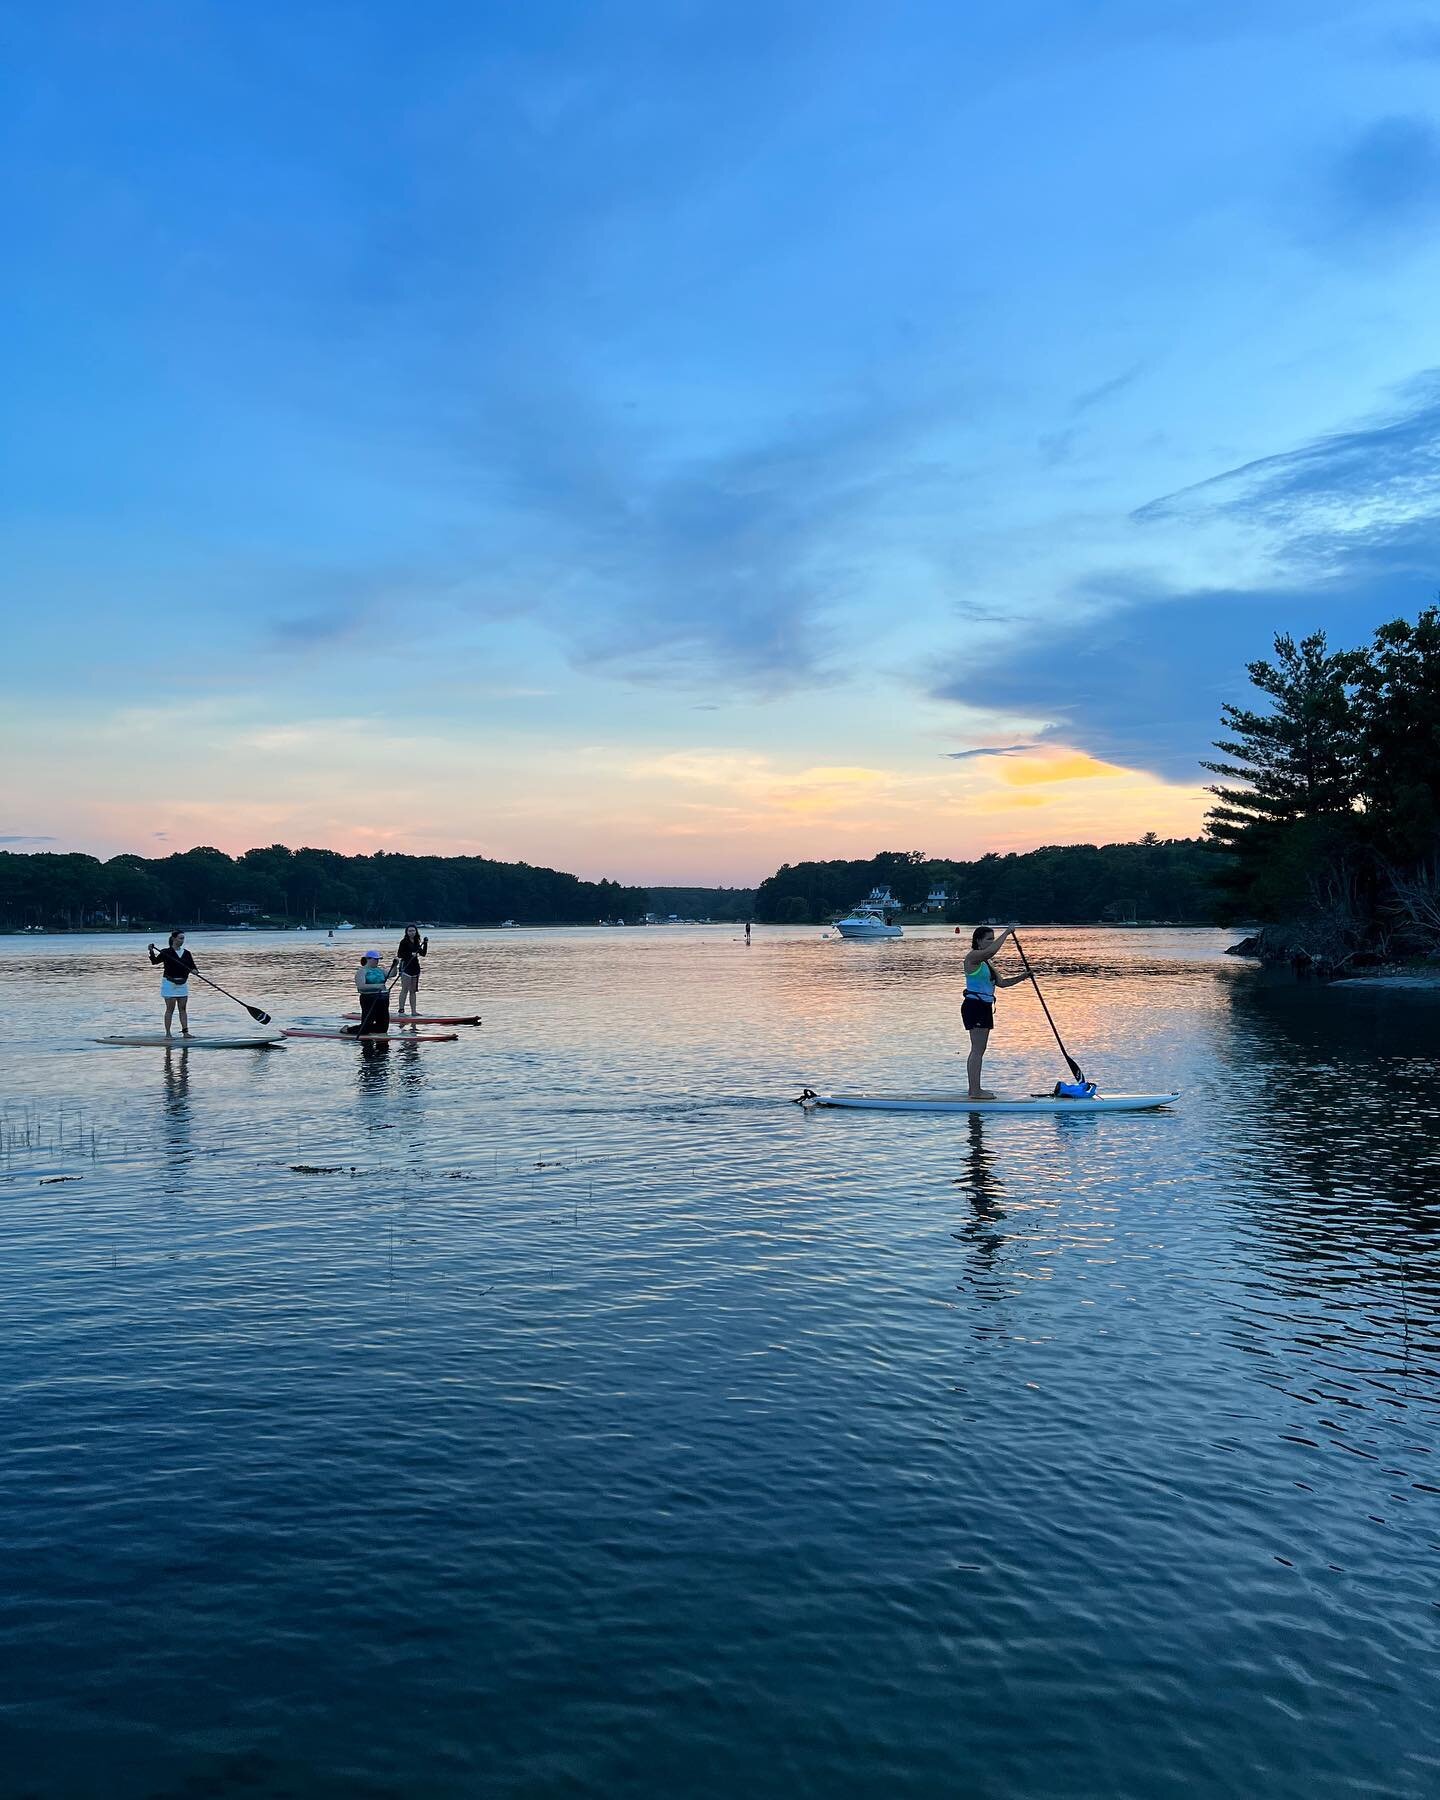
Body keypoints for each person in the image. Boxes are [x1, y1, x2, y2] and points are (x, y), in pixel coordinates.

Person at [962, 924, 1031, 1099]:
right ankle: (975, 1091)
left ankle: (974, 1090)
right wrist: (1006, 933)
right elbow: (992, 951)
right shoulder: (973, 957)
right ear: (978, 941)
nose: (992, 942)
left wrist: (1023, 976)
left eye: (993, 939)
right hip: (974, 1006)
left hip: (984, 1007)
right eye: (989, 939)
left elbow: (1002, 983)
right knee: (977, 1049)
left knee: (980, 1049)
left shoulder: (987, 963)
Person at [148, 930, 198, 1037]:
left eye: (183, 938)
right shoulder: (166, 952)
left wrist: (195, 971)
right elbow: (154, 962)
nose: (182, 940)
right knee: (170, 1009)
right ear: (174, 939)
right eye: (180, 938)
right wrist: (151, 951)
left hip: (182, 984)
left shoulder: (187, 953)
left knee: (183, 1009)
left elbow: (193, 967)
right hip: (169, 983)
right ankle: (168, 1034)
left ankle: (186, 1033)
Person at [348, 950, 391, 1036]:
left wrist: (395, 965)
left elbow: (392, 974)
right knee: (366, 1027)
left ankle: (381, 1047)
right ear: (368, 959)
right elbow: (361, 987)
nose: (377, 961)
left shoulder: (380, 970)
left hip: (382, 999)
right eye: (375, 959)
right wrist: (377, 986)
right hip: (369, 999)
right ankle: (348, 1030)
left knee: (383, 1028)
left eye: (378, 959)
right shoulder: (362, 971)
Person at [390, 925, 428, 1016]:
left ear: (416, 932)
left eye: (413, 931)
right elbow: (400, 954)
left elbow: (423, 954)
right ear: (407, 932)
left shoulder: (416, 941)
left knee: (413, 991)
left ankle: (414, 1011)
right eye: (410, 931)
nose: (412, 932)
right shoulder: (404, 942)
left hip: (415, 967)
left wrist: (425, 943)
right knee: (405, 989)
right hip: (406, 967)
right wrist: (410, 954)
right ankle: (401, 1011)